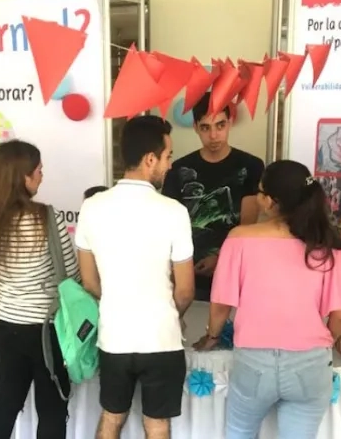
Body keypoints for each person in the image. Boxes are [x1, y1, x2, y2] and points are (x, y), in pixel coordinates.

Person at [192, 160, 341, 439]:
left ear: (269, 201)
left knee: (239, 434)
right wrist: (320, 341)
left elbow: (220, 306)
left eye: (260, 191)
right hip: (311, 365)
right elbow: (340, 315)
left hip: (254, 364)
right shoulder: (326, 242)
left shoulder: (240, 238)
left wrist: (211, 337)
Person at [75, 115, 195, 439]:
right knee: (156, 425)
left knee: (112, 417)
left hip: (114, 335)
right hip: (161, 338)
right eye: (168, 156)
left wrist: (119, 301)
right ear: (150, 159)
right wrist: (170, 315)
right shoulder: (174, 212)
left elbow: (89, 282)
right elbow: (185, 291)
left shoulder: (92, 207)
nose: (169, 165)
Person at [0, 140, 79, 439]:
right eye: (38, 170)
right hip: (44, 328)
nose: (41, 176)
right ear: (24, 176)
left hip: (6, 323)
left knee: (5, 403)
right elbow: (69, 275)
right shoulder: (47, 217)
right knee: (52, 408)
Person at [161, 92, 265, 300]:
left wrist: (221, 258)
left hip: (234, 271)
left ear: (230, 122)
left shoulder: (251, 166)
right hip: (187, 272)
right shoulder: (178, 169)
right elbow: (169, 225)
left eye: (220, 125)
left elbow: (248, 224)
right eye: (206, 128)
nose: (214, 136)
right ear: (196, 128)